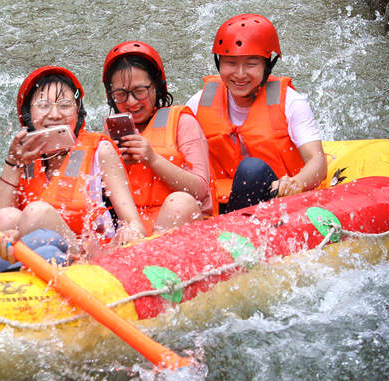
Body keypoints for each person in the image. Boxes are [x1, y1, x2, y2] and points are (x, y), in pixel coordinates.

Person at [0, 66, 146, 266]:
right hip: (41, 255)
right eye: (43, 105)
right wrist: (13, 163)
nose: (54, 114)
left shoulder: (100, 150)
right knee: (7, 216)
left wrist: (129, 233)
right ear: (27, 115)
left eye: (65, 105)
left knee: (37, 213)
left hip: (90, 259)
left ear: (78, 111)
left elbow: (135, 225)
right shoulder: (24, 159)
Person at [187, 13, 327, 213]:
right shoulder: (198, 102)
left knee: (251, 170)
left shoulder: (292, 102)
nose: (240, 74)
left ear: (267, 66)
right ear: (219, 64)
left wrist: (296, 183)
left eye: (251, 64)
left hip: (278, 201)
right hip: (219, 205)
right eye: (230, 63)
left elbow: (318, 162)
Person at [102, 41, 214, 229]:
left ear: (157, 87)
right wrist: (116, 168)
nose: (131, 102)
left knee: (180, 202)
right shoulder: (109, 135)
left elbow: (200, 190)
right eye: (121, 94)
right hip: (133, 230)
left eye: (139, 91)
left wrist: (152, 159)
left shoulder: (183, 123)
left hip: (178, 224)